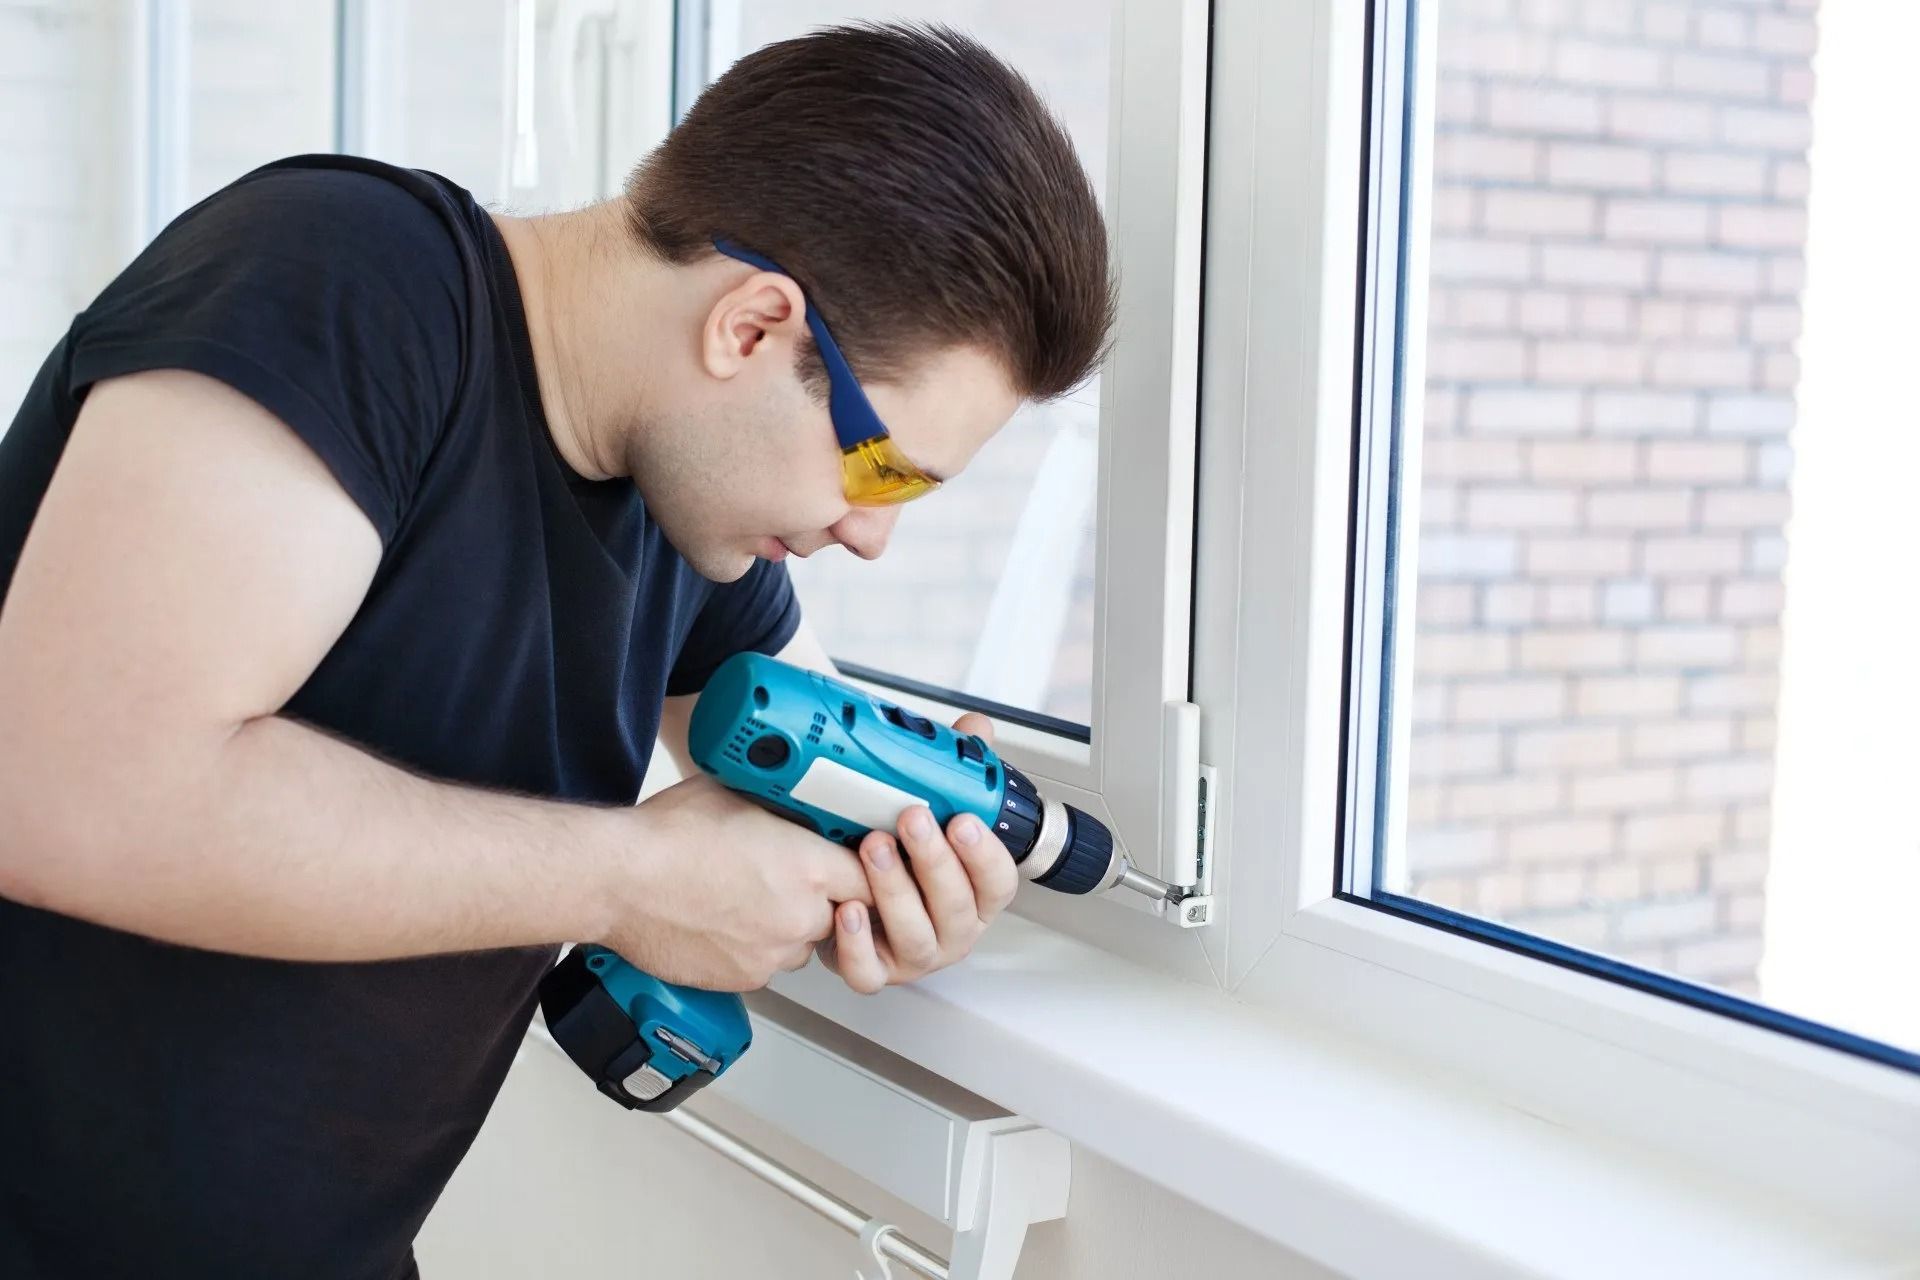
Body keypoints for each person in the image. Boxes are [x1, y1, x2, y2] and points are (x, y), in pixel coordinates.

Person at [0, 22, 1112, 1280]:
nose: (869, 535)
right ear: (751, 327)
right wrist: (633, 878)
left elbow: (782, 740)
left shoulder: (688, 516)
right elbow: (78, 790)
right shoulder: (344, 281)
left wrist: (906, 850)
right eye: (880, 464)